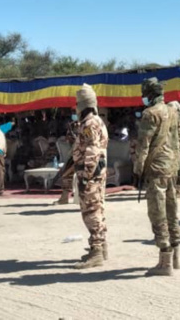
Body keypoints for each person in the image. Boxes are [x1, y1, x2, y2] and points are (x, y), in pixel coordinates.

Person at [134, 78, 180, 276]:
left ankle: (165, 261)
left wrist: (138, 168)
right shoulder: (173, 111)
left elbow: (143, 144)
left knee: (157, 211)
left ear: (149, 94)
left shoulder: (149, 114)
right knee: (172, 208)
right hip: (171, 165)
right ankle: (176, 255)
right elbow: (177, 140)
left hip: (155, 167)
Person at [71, 84, 110, 269]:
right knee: (98, 208)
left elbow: (92, 150)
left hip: (91, 173)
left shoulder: (89, 124)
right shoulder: (96, 121)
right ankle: (101, 246)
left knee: (91, 211)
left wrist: (86, 175)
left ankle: (97, 252)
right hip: (97, 172)